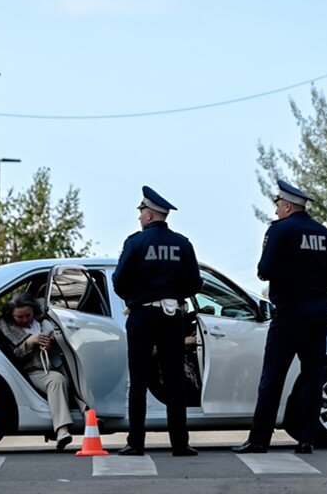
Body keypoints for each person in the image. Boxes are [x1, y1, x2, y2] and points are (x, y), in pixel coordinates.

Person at [233, 179, 327, 455]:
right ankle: (307, 439)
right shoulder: (323, 233)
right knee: (313, 376)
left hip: (290, 311)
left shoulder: (280, 230)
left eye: (278, 205)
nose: (276, 210)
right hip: (319, 312)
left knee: (273, 376)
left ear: (287, 206)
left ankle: (259, 439)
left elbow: (264, 269)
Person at [113, 186, 203, 457]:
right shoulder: (182, 243)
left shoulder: (136, 242)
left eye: (141, 212)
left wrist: (136, 297)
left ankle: (136, 443)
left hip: (142, 315)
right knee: (175, 380)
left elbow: (118, 281)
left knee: (139, 380)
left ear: (150, 214)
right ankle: (179, 443)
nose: (140, 217)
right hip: (172, 316)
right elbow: (195, 283)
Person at [0, 293, 83, 450]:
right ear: (11, 315)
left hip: (54, 363)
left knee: (78, 374)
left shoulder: (44, 320)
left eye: (28, 315)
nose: (24, 320)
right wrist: (29, 343)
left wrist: (49, 346)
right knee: (57, 380)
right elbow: (9, 358)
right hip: (31, 371)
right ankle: (62, 430)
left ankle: (90, 413)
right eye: (19, 317)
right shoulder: (5, 327)